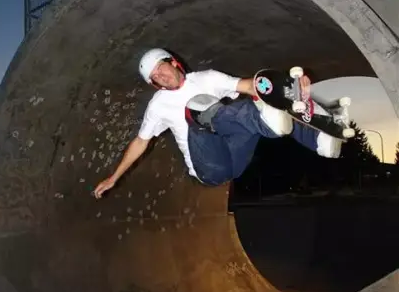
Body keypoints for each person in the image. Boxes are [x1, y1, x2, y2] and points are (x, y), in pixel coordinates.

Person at [94, 48, 342, 198]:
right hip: (210, 168)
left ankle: (320, 140)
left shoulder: (208, 77)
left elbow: (248, 85)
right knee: (197, 108)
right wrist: (115, 177)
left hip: (236, 157)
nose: (161, 77)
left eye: (161, 69)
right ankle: (267, 122)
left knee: (257, 106)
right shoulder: (158, 104)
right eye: (155, 78)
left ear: (173, 62)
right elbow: (140, 141)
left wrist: (287, 88)